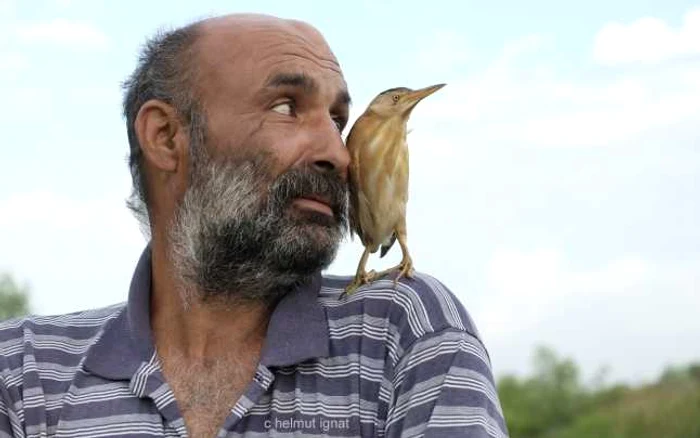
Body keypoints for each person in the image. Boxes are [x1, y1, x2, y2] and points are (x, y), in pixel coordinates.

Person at [0, 13, 509, 438]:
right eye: (287, 107)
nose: (338, 152)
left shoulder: (405, 332)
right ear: (165, 136)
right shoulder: (21, 372)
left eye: (337, 120)